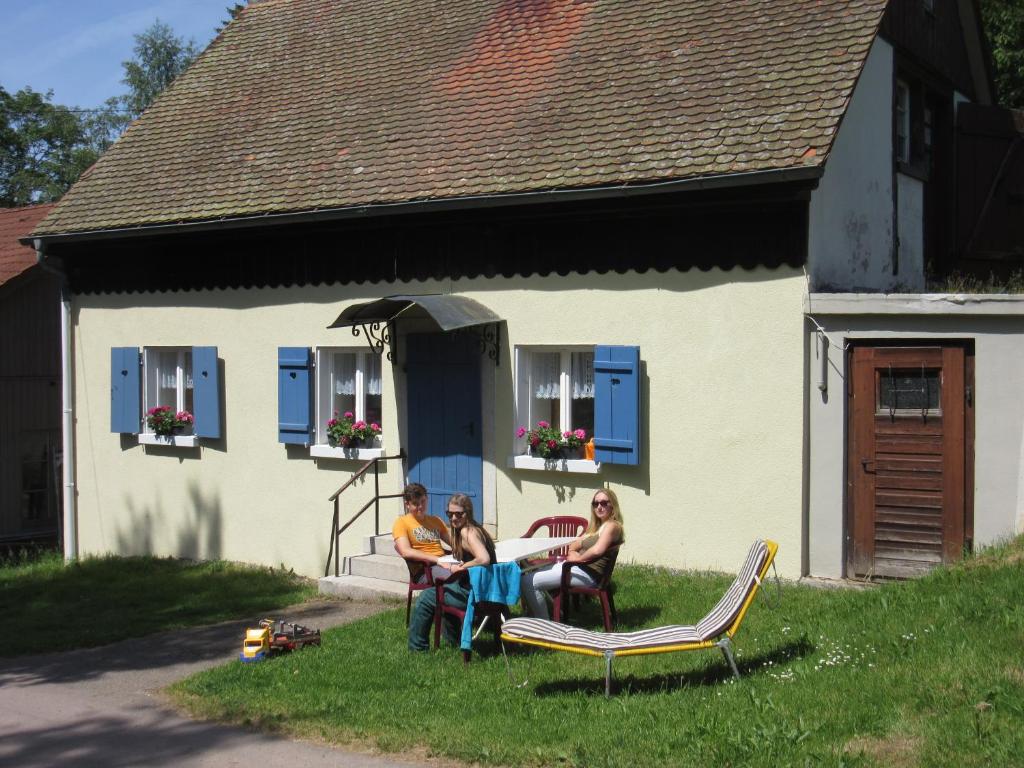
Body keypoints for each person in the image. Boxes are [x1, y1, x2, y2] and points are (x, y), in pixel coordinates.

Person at [520, 488, 625, 621]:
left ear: (613, 505)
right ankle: (534, 618)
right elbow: (575, 544)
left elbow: (597, 550)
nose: (599, 507)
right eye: (595, 503)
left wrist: (578, 558)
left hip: (588, 574)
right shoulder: (597, 526)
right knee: (526, 577)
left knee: (528, 582)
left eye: (604, 503)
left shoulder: (612, 526)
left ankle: (544, 625)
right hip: (576, 568)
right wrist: (571, 553)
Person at [407, 493, 495, 651]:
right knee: (446, 589)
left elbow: (484, 558)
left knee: (426, 598)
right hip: (488, 592)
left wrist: (461, 567)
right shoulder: (476, 529)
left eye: (458, 514)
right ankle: (452, 641)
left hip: (474, 595)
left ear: (467, 513)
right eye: (450, 514)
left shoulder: (467, 532)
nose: (453, 518)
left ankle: (417, 648)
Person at [392, 482, 452, 584]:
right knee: (454, 577)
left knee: (473, 570)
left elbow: (454, 542)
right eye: (415, 503)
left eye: (423, 501)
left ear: (427, 499)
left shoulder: (436, 520)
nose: (420, 506)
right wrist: (438, 560)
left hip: (444, 561)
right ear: (407, 504)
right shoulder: (401, 522)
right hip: (424, 570)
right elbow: (406, 551)